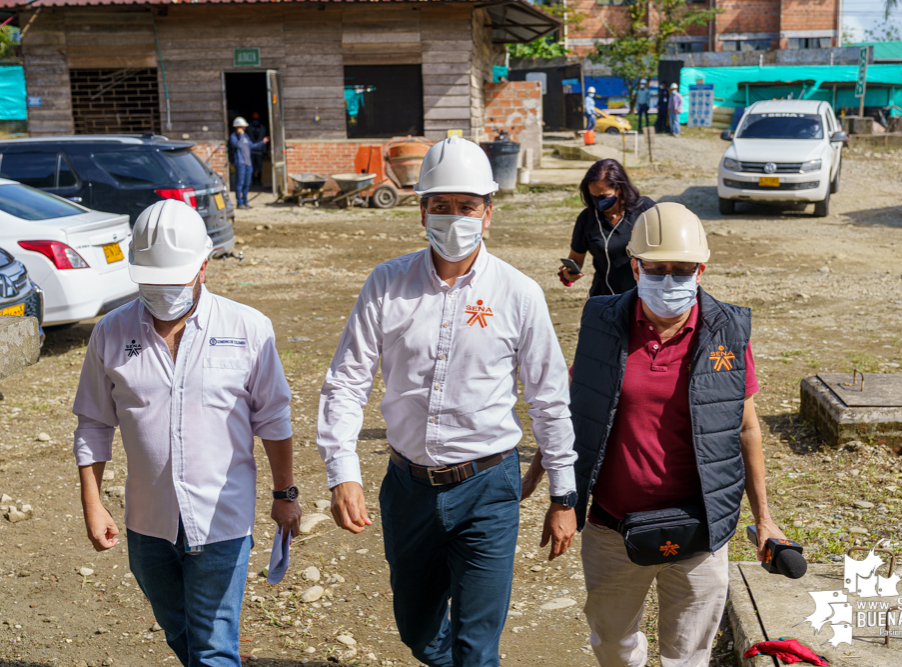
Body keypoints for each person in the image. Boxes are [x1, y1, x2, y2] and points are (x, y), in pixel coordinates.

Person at [316, 136, 577, 667]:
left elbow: (550, 399)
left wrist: (564, 496)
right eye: (441, 206)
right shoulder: (387, 285)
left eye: (466, 207)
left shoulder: (518, 293)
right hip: (408, 488)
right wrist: (343, 470)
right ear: (421, 210)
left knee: (478, 644)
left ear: (487, 213)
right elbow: (347, 380)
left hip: (488, 486)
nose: (453, 218)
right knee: (417, 629)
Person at [72, 199, 300, 667]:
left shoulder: (248, 328)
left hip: (222, 519)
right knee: (180, 630)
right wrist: (93, 505)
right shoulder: (111, 333)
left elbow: (273, 418)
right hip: (148, 522)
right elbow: (94, 422)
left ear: (204, 264)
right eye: (151, 280)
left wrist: (285, 493)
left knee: (214, 647)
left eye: (173, 278)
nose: (162, 290)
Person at [560, 202, 784, 667]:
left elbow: (746, 428)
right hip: (611, 528)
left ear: (700, 270)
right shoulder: (601, 323)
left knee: (688, 656)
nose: (667, 281)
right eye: (655, 269)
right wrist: (556, 494)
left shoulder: (726, 332)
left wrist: (764, 519)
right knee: (615, 648)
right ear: (635, 267)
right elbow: (572, 407)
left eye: (680, 270)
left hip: (701, 528)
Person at [557, 158, 655, 297]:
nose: (599, 202)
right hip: (605, 298)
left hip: (645, 298)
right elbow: (576, 260)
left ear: (620, 188)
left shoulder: (645, 209)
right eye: (594, 196)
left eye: (605, 196)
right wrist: (568, 274)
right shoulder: (587, 219)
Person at [229, 116, 268, 209]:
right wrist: (241, 136)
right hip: (240, 163)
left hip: (248, 163)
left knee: (247, 184)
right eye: (242, 127)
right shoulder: (233, 137)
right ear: (238, 127)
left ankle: (245, 201)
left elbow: (252, 146)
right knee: (240, 183)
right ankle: (239, 203)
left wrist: (262, 142)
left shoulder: (246, 137)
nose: (244, 129)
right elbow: (237, 145)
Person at [247, 112, 269, 188]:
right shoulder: (249, 128)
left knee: (260, 168)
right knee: (252, 168)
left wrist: (264, 151)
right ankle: (253, 181)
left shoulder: (262, 128)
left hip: (259, 151)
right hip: (252, 151)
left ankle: (259, 180)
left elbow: (264, 140)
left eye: (256, 119)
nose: (255, 121)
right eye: (254, 119)